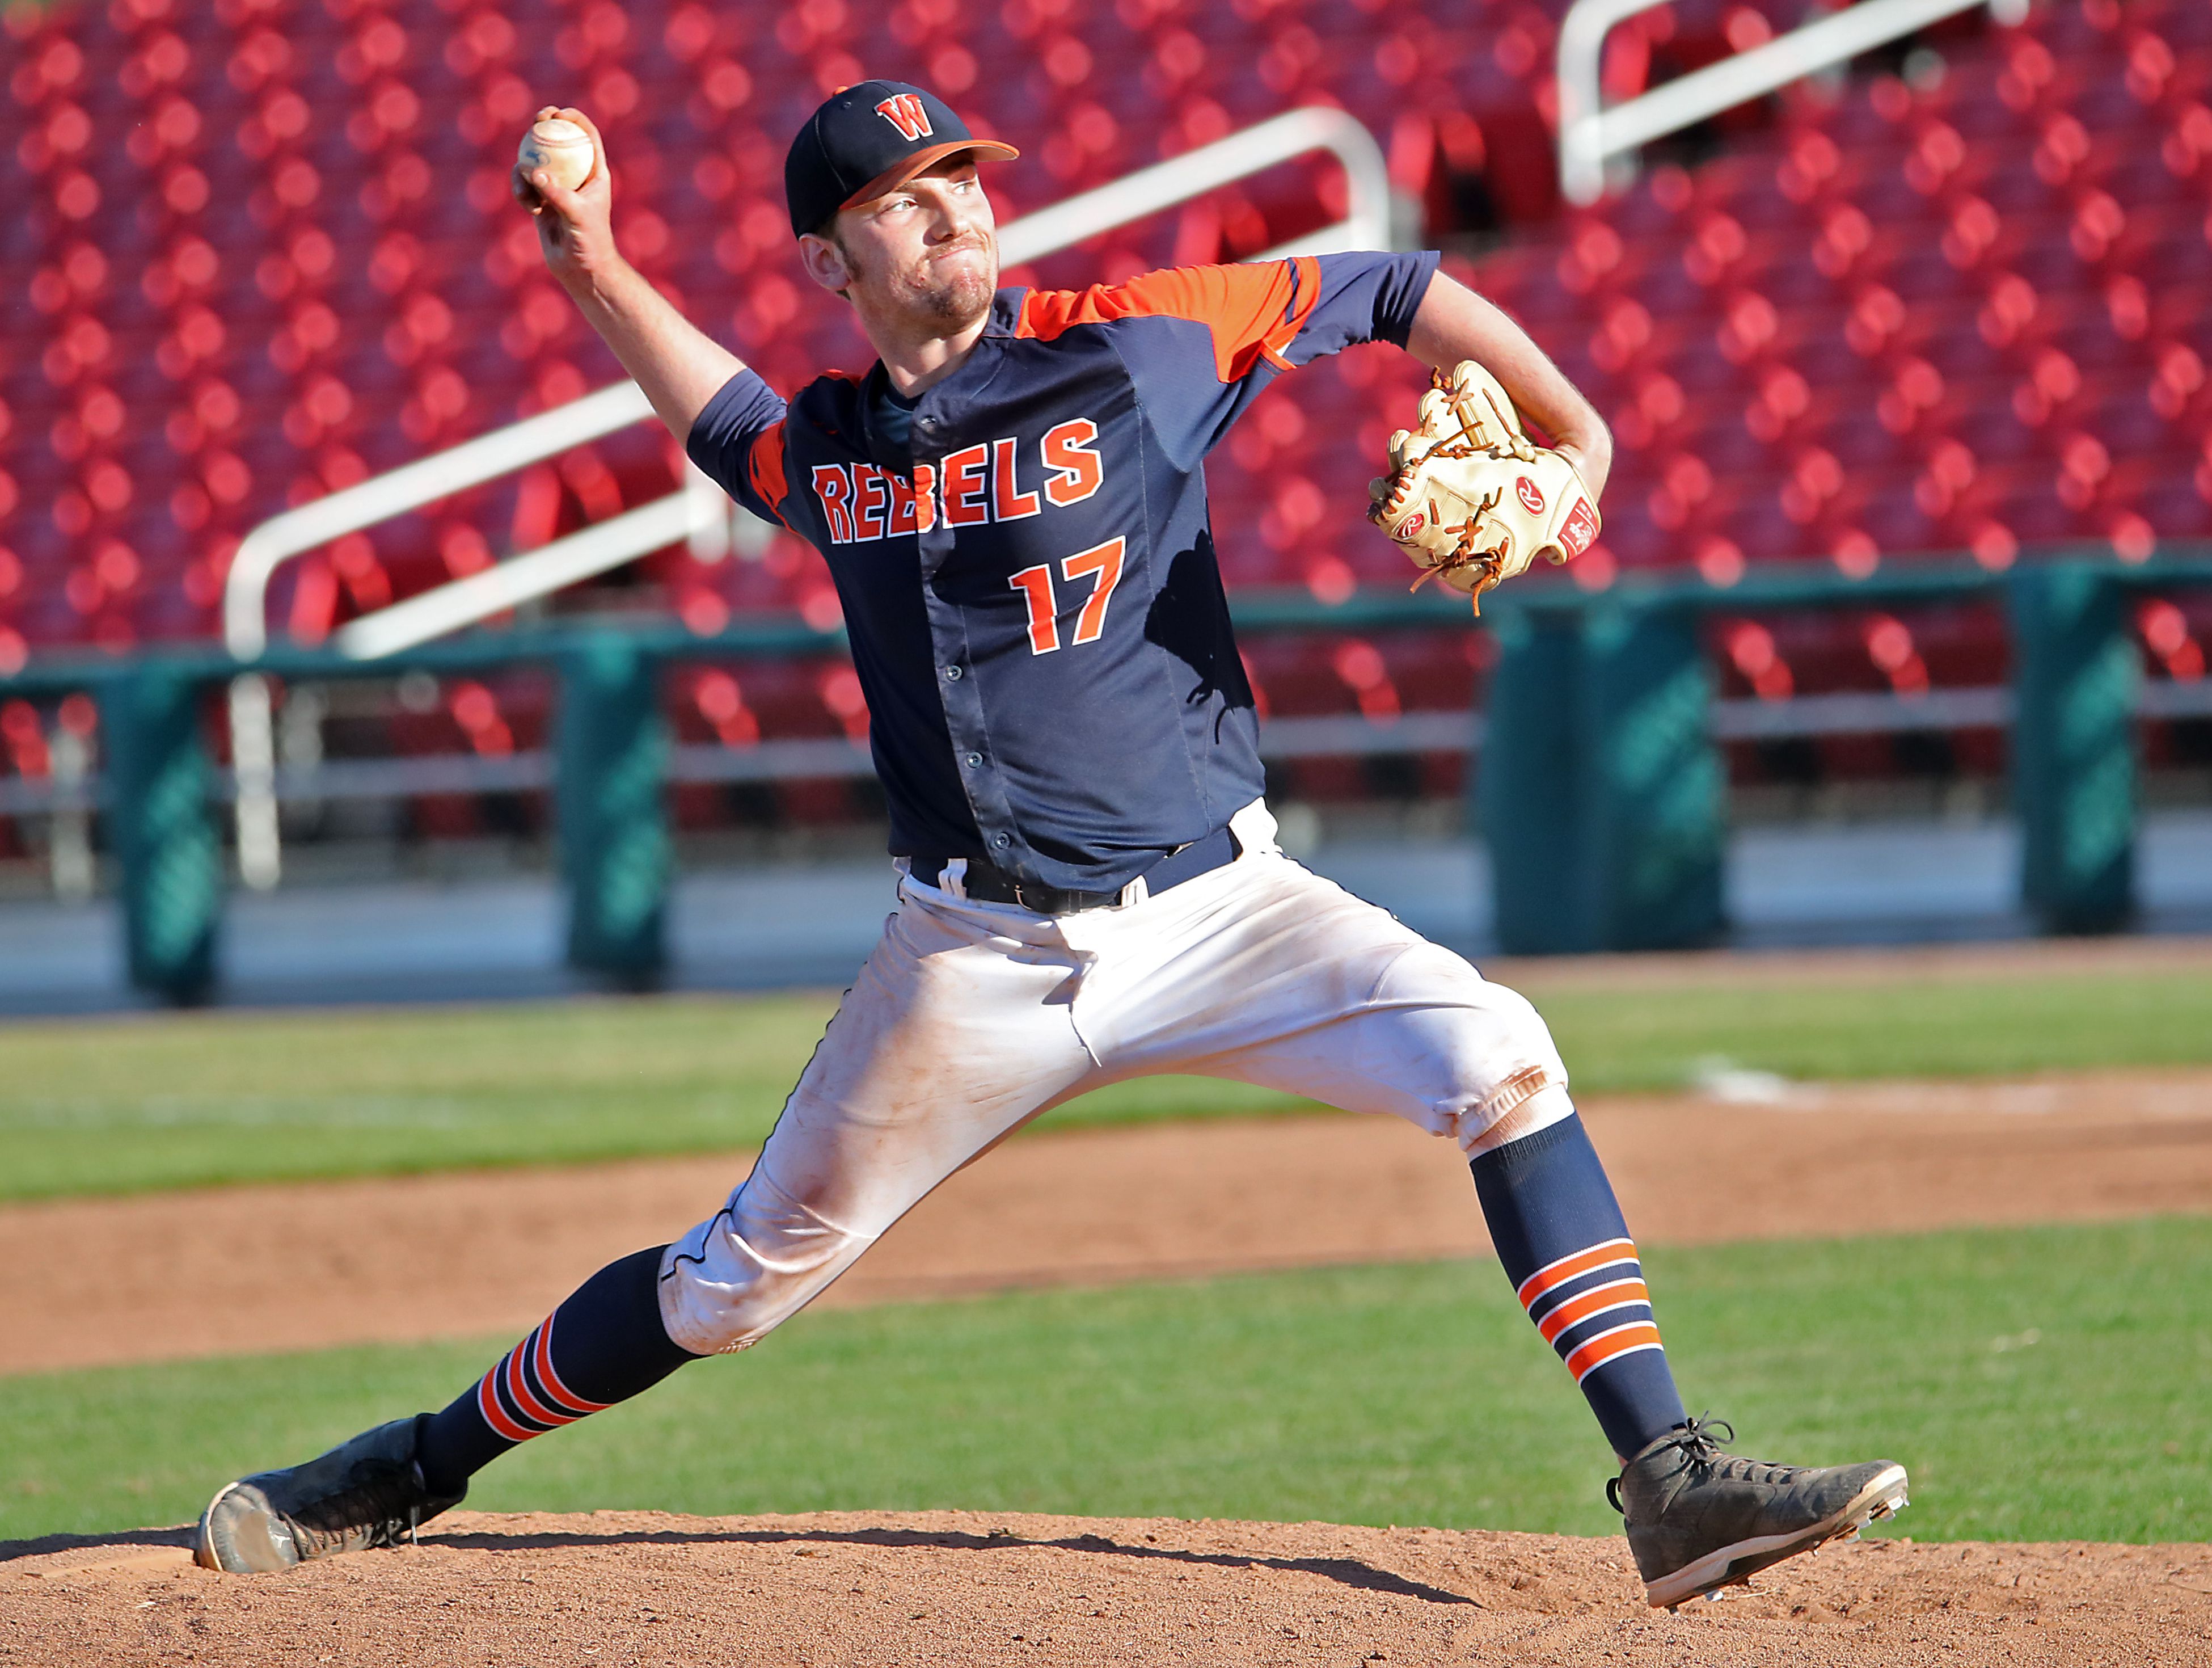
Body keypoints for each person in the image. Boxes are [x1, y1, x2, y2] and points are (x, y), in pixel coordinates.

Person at [193, 83, 1905, 1608]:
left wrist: (1576, 435)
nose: (959, 210)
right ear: (832, 260)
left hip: (1229, 908)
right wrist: (592, 264)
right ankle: (415, 1461)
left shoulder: (1137, 339)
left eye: (967, 179)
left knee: (1500, 1054)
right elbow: (720, 422)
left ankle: (1668, 1481)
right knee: (729, 1290)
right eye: (907, 196)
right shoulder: (840, 450)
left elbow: (1386, 289)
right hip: (971, 959)